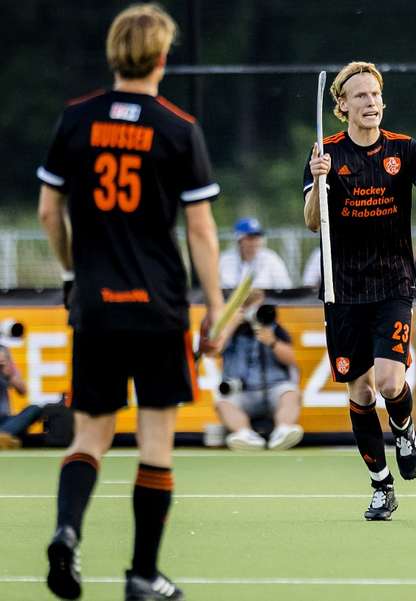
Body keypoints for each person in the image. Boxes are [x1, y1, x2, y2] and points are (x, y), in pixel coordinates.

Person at [36, 4, 225, 599]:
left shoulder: (76, 120)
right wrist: (216, 304)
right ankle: (143, 575)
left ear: (114, 53)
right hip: (158, 306)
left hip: (95, 303)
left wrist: (72, 270)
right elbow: (200, 230)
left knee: (88, 436)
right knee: (156, 442)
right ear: (163, 58)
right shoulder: (177, 127)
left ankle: (67, 532)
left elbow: (48, 211)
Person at [303, 61, 416, 520]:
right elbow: (312, 221)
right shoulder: (325, 153)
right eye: (361, 96)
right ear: (342, 106)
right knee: (361, 393)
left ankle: (405, 429)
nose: (371, 103)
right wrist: (318, 180)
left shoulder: (404, 150)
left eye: (375, 95)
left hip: (392, 283)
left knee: (390, 382)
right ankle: (380, 485)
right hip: (344, 290)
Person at [216, 289, 303, 451]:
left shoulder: (273, 328)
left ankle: (283, 431)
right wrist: (234, 322)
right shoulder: (232, 330)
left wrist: (272, 341)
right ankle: (244, 434)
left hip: (274, 388)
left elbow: (291, 358)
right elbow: (216, 349)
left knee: (291, 393)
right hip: (242, 390)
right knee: (223, 402)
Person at [219, 217, 293, 290]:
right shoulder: (224, 260)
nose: (255, 242)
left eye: (258, 237)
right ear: (239, 240)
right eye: (250, 238)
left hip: (266, 301)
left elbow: (285, 288)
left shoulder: (271, 259)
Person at [0, 344, 42, 450]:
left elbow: (23, 390)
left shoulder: (7, 364)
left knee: (34, 409)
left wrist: (8, 375)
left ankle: (4, 436)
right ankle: (5, 437)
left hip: (5, 420)